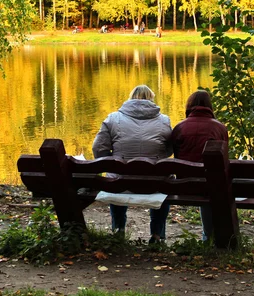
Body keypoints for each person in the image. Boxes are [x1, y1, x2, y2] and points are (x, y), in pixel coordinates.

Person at [92, 85, 173, 243]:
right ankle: (157, 235)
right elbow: (169, 150)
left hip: (121, 182)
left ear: (130, 98)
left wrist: (112, 160)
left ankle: (119, 229)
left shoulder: (113, 118)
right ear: (151, 99)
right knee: (164, 182)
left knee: (115, 177)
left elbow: (98, 148)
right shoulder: (164, 120)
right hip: (154, 183)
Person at [171, 90, 228, 241]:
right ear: (210, 106)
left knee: (205, 182)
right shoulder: (219, 128)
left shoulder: (179, 128)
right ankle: (209, 236)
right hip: (212, 186)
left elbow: (176, 155)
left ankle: (207, 235)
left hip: (184, 185)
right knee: (212, 181)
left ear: (189, 106)